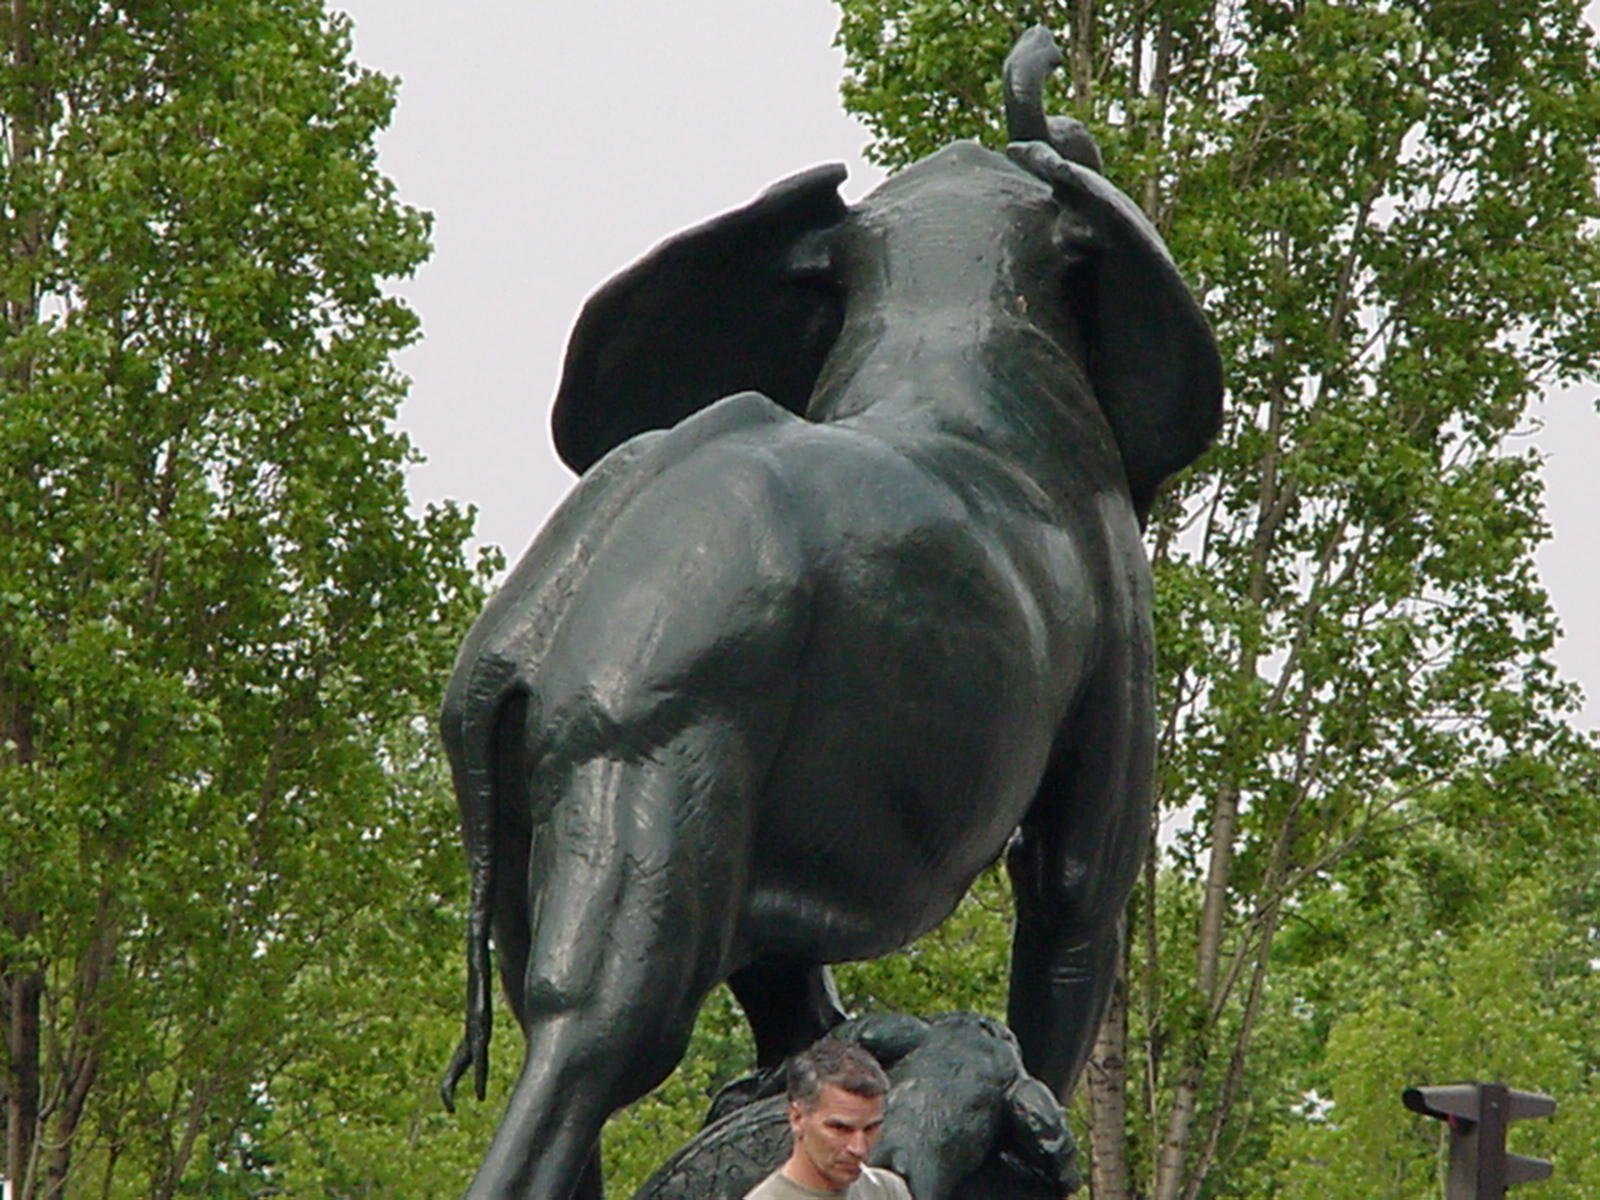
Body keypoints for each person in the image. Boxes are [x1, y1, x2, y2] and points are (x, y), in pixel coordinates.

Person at [744, 1038, 913, 1199]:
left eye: (870, 1129)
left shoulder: (887, 1190)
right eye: (840, 1129)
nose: (859, 1148)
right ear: (797, 1118)